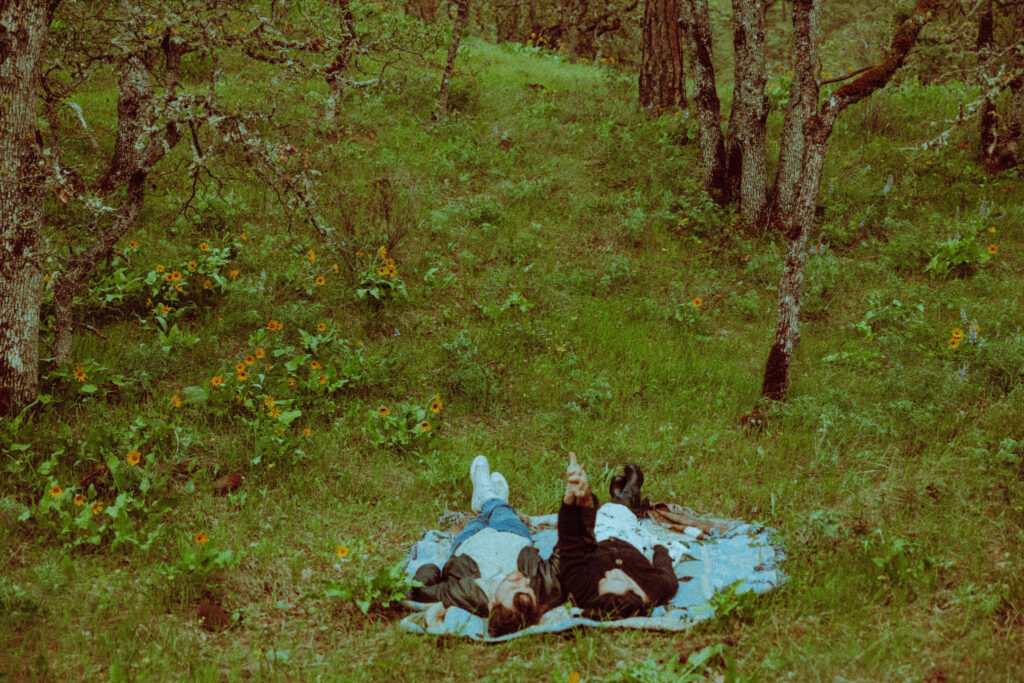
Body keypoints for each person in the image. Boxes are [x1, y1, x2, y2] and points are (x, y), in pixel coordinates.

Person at [408, 455, 562, 637]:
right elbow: (565, 554)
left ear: (491, 604)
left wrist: (432, 569)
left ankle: (487, 497)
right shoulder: (544, 588)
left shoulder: (461, 594)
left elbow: (420, 589)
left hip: (469, 539)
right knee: (502, 511)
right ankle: (491, 498)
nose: (523, 581)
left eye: (513, 588)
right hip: (511, 532)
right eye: (528, 589)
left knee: (479, 518)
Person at [556, 453, 679, 619]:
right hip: (630, 540)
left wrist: (571, 500)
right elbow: (664, 566)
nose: (609, 573)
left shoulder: (584, 590)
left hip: (599, 538)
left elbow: (570, 543)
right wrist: (660, 548)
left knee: (604, 515)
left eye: (603, 581)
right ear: (636, 591)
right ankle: (626, 496)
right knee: (623, 516)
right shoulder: (656, 587)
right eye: (617, 579)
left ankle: (623, 496)